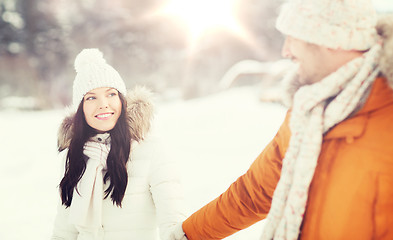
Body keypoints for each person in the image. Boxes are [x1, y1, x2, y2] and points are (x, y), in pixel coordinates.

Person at [180, 0, 393, 239]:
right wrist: (188, 235)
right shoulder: (307, 112)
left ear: (332, 40)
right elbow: (254, 194)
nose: (286, 51)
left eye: (294, 37)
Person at [51, 48, 187, 240]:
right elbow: (63, 234)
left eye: (111, 94)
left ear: (122, 100)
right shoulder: (74, 156)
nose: (104, 104)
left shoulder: (152, 150)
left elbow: (173, 224)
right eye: (91, 97)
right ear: (80, 109)